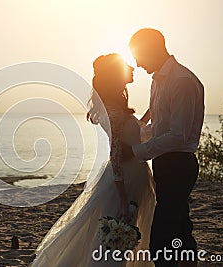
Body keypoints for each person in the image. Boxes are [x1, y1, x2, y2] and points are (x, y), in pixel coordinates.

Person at [31, 53, 155, 267]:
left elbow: (133, 134)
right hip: (124, 182)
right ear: (116, 75)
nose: (131, 67)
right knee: (116, 239)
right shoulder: (114, 111)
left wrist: (151, 111)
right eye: (126, 66)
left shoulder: (117, 108)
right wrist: (123, 200)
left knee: (121, 239)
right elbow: (115, 156)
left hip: (134, 178)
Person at [125, 28, 205, 267]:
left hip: (179, 164)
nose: (137, 65)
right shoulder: (158, 80)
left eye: (138, 57)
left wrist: (137, 152)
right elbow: (160, 128)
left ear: (151, 49)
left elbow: (178, 136)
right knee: (180, 228)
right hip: (164, 162)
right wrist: (132, 133)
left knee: (161, 238)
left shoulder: (181, 81)